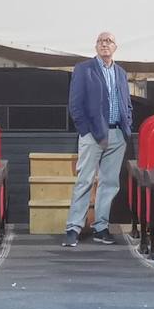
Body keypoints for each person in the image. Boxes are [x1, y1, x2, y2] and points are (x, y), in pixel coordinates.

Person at [61, 32, 133, 246]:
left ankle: (101, 227)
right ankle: (73, 228)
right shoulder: (84, 69)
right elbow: (75, 103)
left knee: (109, 183)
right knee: (84, 180)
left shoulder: (120, 72)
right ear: (96, 46)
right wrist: (85, 130)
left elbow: (125, 101)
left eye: (109, 41)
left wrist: (127, 122)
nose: (105, 44)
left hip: (117, 134)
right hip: (93, 134)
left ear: (115, 47)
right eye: (101, 41)